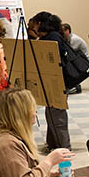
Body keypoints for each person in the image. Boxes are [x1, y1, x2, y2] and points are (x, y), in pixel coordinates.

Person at [33, 11, 72, 151]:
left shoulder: (52, 38)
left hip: (57, 81)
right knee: (52, 113)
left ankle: (64, 148)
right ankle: (53, 144)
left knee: (57, 115)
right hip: (56, 80)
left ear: (40, 24)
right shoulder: (56, 35)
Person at [62, 23, 89, 94]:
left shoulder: (74, 39)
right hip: (79, 58)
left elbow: (69, 52)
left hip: (84, 61)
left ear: (68, 31)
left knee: (66, 66)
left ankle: (74, 86)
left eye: (63, 31)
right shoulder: (68, 38)